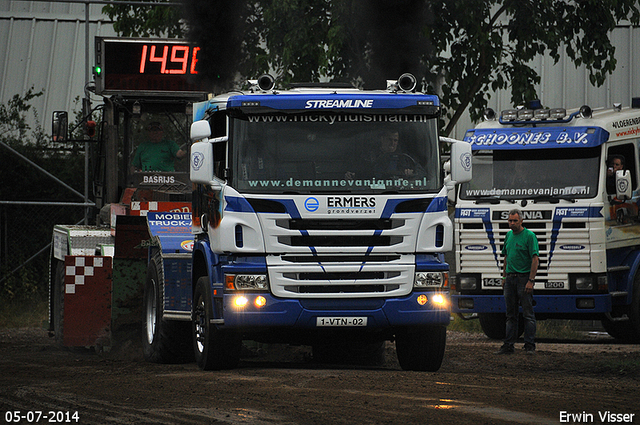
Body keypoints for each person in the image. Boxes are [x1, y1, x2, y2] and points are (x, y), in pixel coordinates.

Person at [496, 208, 539, 355]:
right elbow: (506, 258)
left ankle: (529, 345)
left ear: (521, 221)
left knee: (528, 313)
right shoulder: (508, 235)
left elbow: (535, 259)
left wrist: (530, 281)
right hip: (510, 278)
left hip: (523, 278)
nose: (512, 223)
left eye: (515, 221)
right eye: (510, 221)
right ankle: (508, 345)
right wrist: (503, 277)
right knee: (510, 314)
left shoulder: (529, 236)